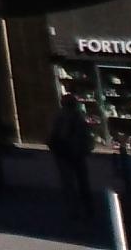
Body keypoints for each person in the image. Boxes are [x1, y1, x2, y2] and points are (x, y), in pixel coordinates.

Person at [48, 94, 97, 229]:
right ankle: (87, 208)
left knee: (69, 184)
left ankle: (73, 210)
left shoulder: (59, 117)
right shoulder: (78, 117)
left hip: (64, 154)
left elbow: (52, 136)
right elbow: (86, 137)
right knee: (82, 182)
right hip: (77, 154)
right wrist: (86, 149)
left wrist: (56, 150)